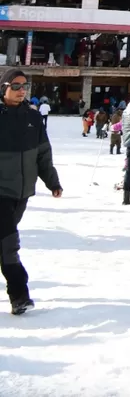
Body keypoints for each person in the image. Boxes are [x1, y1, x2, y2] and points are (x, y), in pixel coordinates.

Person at [0, 69, 62, 315]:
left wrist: (52, 182)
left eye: (25, 85)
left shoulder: (33, 118)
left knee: (3, 242)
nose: (21, 90)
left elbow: (43, 154)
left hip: (22, 192)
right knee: (8, 244)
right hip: (0, 191)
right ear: (3, 87)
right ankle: (19, 295)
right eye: (15, 86)